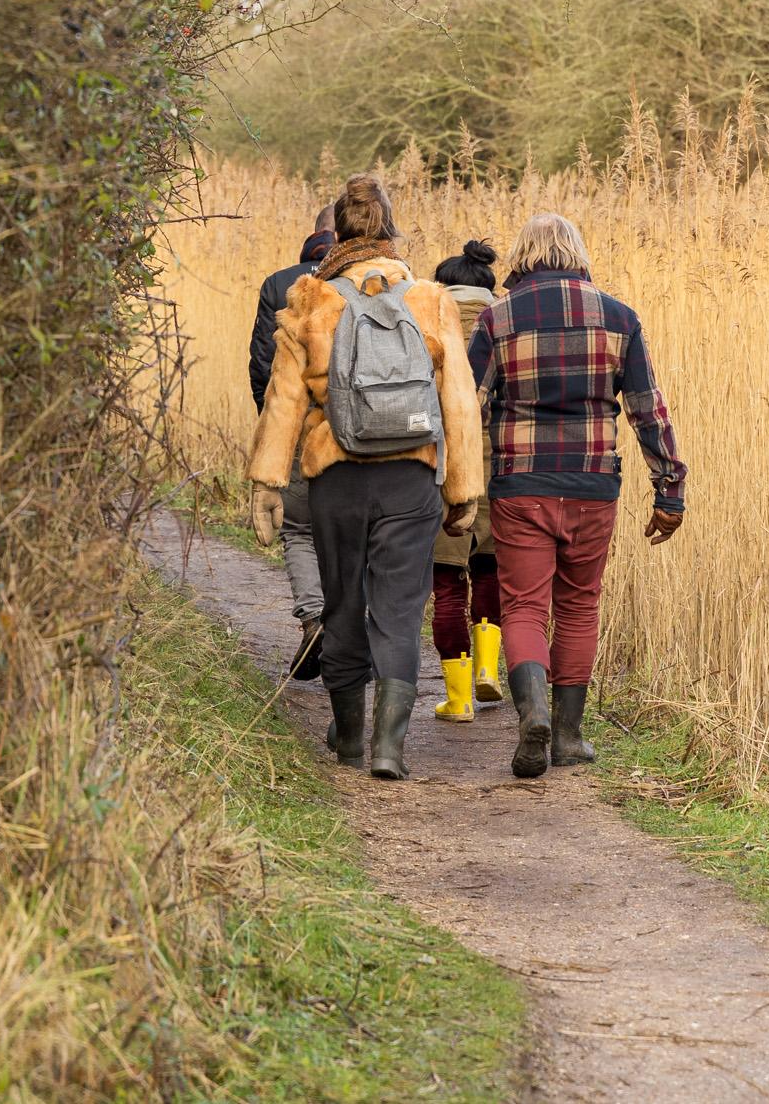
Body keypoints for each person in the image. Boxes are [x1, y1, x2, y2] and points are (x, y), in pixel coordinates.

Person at [246, 175, 484, 780]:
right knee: (400, 612)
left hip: (336, 479)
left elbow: (284, 401)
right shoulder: (430, 299)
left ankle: (349, 740)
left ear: (339, 232)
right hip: (411, 476)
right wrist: (464, 489)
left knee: (343, 604)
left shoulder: (309, 299)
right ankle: (389, 749)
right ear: (389, 228)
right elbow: (458, 400)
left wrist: (267, 482)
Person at [467, 212, 687, 778]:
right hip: (593, 485)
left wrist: (457, 486)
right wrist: (669, 488)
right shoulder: (619, 318)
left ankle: (532, 711)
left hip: (521, 484)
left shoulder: (497, 319)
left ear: (524, 255)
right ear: (577, 253)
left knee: (522, 607)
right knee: (579, 605)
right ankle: (566, 735)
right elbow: (647, 408)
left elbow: (467, 406)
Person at [249, 205, 336, 680]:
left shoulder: (280, 282)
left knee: (299, 530)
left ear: (314, 232)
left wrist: (270, 430)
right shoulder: (376, 281)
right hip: (353, 433)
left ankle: (312, 617)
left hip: (297, 427)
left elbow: (263, 361)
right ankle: (349, 632)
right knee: (351, 534)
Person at [428, 240, 504, 724]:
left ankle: (458, 702)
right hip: (499, 461)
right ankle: (489, 671)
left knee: (448, 582)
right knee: (491, 571)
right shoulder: (508, 322)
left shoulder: (428, 321)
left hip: (445, 464)